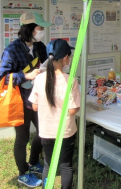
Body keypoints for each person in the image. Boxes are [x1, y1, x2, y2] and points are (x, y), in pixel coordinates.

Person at [0, 11, 51, 188]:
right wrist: (25, 76)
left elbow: (46, 65)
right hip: (20, 100)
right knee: (22, 138)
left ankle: (34, 161)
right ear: (29, 29)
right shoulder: (12, 50)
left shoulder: (40, 47)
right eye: (39, 28)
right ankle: (23, 172)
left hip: (38, 98)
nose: (42, 30)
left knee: (43, 130)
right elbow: (4, 77)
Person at [29, 39, 80, 189]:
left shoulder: (39, 78)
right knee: (65, 166)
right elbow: (72, 110)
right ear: (65, 58)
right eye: (69, 56)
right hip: (65, 131)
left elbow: (35, 106)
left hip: (46, 131)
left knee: (48, 165)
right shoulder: (71, 80)